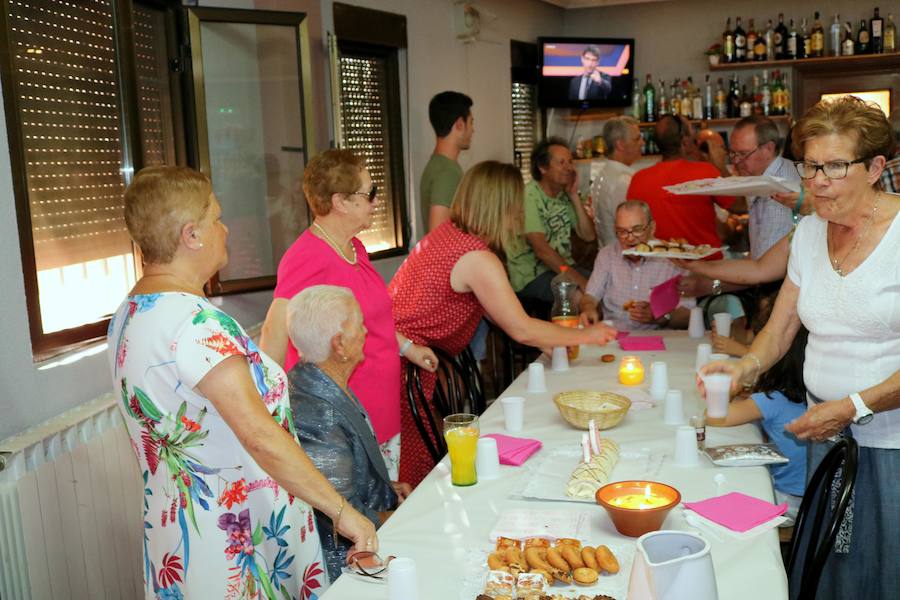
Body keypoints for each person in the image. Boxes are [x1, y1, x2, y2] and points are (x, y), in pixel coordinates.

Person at [109, 166, 377, 599]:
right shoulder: (196, 324)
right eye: (216, 217)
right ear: (191, 235)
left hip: (177, 529)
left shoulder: (132, 312)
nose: (225, 228)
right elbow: (258, 435)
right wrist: (343, 513)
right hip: (235, 535)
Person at [698, 96, 900, 599]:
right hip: (824, 432)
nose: (819, 181)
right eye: (811, 166)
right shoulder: (809, 233)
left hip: (890, 444)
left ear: (876, 167)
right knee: (831, 567)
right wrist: (744, 366)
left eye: (835, 165)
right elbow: (780, 327)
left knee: (881, 569)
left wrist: (852, 408)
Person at [390, 161, 617, 486]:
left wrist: (544, 341)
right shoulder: (476, 257)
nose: (519, 216)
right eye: (515, 206)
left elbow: (495, 310)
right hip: (407, 370)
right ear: (501, 207)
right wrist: (590, 334)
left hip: (401, 356)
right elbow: (519, 326)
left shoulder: (450, 235)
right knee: (418, 479)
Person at [260, 150, 437, 481]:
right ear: (340, 201)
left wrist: (407, 348)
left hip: (380, 402)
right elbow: (275, 333)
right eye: (368, 194)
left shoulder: (355, 248)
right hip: (346, 414)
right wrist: (267, 412)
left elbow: (372, 318)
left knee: (385, 502)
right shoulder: (306, 257)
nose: (374, 202)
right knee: (360, 514)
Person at [286, 285, 410, 582]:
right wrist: (406, 516)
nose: (366, 331)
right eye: (360, 324)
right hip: (350, 564)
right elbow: (341, 514)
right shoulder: (318, 415)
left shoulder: (315, 377)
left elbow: (347, 468)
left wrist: (386, 488)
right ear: (339, 344)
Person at [712, 328, 809, 526]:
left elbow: (716, 417)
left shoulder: (772, 400)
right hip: (816, 502)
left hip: (787, 505)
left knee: (723, 483)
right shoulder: (821, 401)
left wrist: (733, 389)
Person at [579, 200, 694, 331]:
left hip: (659, 340)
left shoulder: (673, 258)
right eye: (622, 231)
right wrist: (588, 309)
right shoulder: (607, 255)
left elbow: (688, 315)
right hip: (613, 335)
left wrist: (660, 317)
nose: (630, 238)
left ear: (652, 228)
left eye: (637, 230)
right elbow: (590, 296)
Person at [506, 138, 596, 302]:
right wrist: (581, 281)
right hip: (532, 275)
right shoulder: (529, 196)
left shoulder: (564, 194)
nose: (569, 168)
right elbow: (542, 251)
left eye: (570, 161)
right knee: (581, 297)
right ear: (542, 168)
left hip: (562, 268)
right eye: (561, 163)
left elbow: (588, 236)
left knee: (605, 287)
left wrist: (574, 195)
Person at [627, 115, 735, 247]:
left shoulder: (638, 179)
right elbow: (738, 206)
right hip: (704, 264)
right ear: (684, 142)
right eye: (693, 136)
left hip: (656, 263)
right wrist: (720, 165)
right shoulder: (706, 172)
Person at [420, 91, 474, 233]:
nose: (473, 130)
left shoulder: (440, 166)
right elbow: (437, 234)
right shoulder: (446, 173)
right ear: (460, 125)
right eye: (471, 122)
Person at [591, 116, 643, 247]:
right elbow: (632, 230)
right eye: (637, 139)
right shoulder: (622, 180)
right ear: (620, 144)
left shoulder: (604, 173)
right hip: (622, 258)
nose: (642, 143)